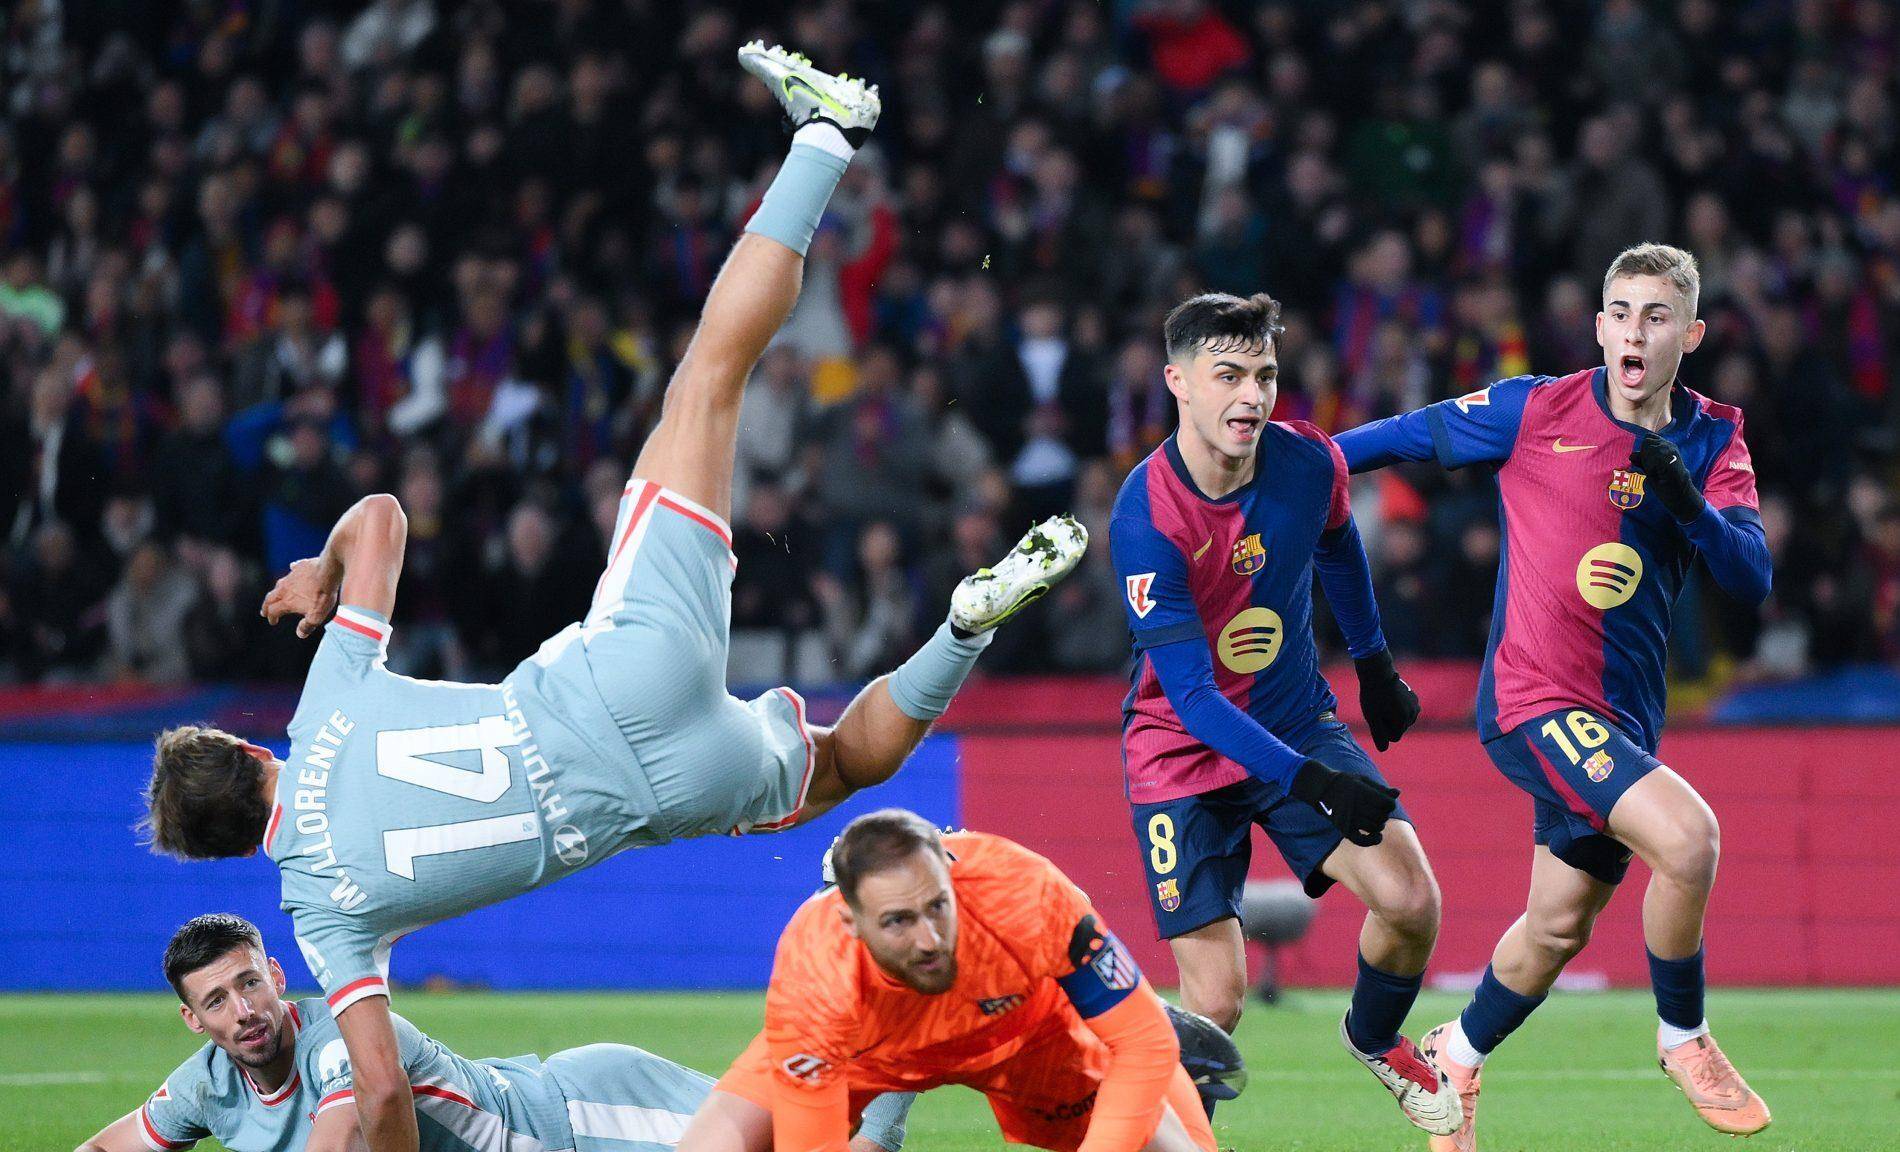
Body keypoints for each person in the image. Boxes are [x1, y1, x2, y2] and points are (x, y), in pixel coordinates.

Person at [137, 45, 1087, 1152]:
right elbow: (384, 515)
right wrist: (323, 568)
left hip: (655, 795)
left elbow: (382, 1092)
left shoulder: (319, 912)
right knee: (707, 380)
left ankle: (960, 630)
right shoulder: (325, 705)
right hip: (615, 674)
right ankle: (825, 137)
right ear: (248, 751)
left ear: (230, 852)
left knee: (842, 769)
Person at [1336, 243, 1774, 1149]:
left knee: (1557, 927)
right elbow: (1395, 439)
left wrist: (1688, 504)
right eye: (1622, 313)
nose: (1636, 331)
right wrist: (1279, 473)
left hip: (1622, 720)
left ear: (1690, 335)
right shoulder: (1534, 408)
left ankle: (1455, 1054)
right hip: (1532, 701)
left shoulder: (1714, 438)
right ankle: (1684, 1038)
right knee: (1689, 840)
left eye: (1658, 316)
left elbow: (1750, 579)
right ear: (1601, 327)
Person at [1106, 291, 1459, 1136]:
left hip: (1295, 719)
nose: (1252, 396)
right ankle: (1156, 1121)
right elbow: (1194, 700)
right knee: (1216, 1004)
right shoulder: (1145, 516)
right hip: (1182, 756)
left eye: (1264, 375)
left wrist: (1373, 666)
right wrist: (1317, 784)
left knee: (1412, 901)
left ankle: (1372, 1036)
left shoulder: (1307, 462)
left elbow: (1338, 543)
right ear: (1178, 383)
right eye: (1227, 376)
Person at [74, 913, 896, 1152]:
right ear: (194, 1020)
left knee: (826, 1146)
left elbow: (343, 1138)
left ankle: (890, 1008)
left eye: (249, 983)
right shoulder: (208, 1083)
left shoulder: (338, 1040)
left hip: (579, 1122)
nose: (242, 1010)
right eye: (217, 1001)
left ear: (278, 977)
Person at [678, 810, 1237, 1152]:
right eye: (898, 921)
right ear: (849, 921)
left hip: (1034, 1038)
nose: (929, 940)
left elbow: (1144, 1042)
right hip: (870, 1054)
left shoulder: (1024, 892)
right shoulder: (814, 972)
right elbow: (813, 1144)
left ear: (952, 874)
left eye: (938, 907)